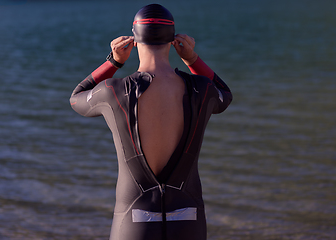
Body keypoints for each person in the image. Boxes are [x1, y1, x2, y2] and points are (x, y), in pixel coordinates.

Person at [69, 4, 232, 240]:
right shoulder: (202, 90)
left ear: (133, 40)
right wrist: (192, 58)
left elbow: (76, 97)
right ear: (174, 40)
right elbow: (224, 94)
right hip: (189, 217)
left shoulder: (112, 91)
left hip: (133, 219)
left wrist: (114, 62)